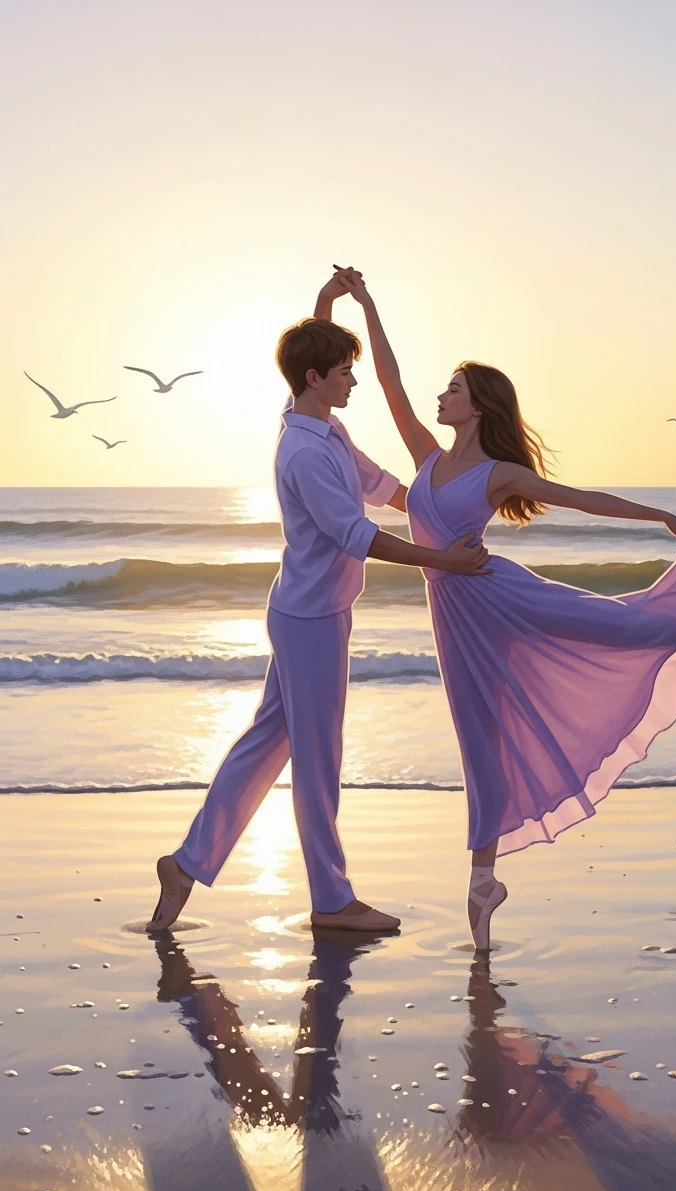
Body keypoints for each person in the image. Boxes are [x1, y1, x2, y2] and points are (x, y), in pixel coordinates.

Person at [336, 267, 676, 950]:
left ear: (478, 404)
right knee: (477, 745)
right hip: (457, 627)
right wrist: (366, 304)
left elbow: (586, 499)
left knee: (614, 622)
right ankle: (484, 882)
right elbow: (391, 383)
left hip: (502, 597)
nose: (440, 395)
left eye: (453, 388)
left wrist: (658, 513)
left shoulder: (500, 474)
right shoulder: (425, 460)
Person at [146, 270, 490, 934]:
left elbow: (381, 483)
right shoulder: (303, 452)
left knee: (264, 746)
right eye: (342, 372)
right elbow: (355, 534)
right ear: (314, 380)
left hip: (305, 610)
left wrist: (330, 306)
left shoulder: (322, 426)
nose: (352, 381)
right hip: (312, 620)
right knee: (318, 759)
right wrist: (443, 558)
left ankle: (186, 863)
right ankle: (331, 900)